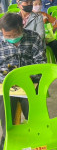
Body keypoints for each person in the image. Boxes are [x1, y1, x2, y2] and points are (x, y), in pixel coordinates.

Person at [0, 13, 45, 148]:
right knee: (6, 110)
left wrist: (27, 77)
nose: (10, 39)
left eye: (13, 35)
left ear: (22, 27)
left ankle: (37, 137)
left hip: (29, 81)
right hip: (5, 82)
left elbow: (41, 63)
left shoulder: (34, 37)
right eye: (6, 36)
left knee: (33, 109)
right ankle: (7, 138)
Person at [33, 0, 57, 66]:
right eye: (35, 4)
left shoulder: (44, 15)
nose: (38, 6)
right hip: (35, 40)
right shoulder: (29, 16)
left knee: (56, 43)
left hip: (46, 38)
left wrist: (52, 31)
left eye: (40, 4)